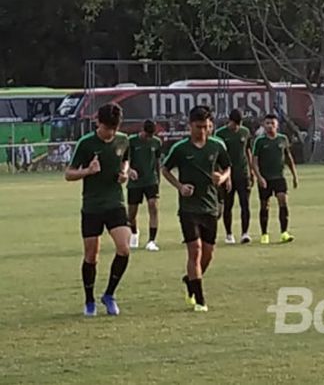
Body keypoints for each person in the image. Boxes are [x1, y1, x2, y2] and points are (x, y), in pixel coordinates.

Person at [162, 105, 231, 312]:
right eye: (198, 126)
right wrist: (180, 186)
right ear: (190, 125)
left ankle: (191, 281)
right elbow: (165, 169)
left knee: (208, 254)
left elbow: (228, 167)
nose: (202, 131)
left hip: (210, 206)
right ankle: (200, 300)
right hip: (189, 208)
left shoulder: (217, 145)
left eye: (206, 127)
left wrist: (223, 177)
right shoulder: (181, 148)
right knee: (196, 251)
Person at [65, 103, 132, 317]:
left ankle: (109, 294)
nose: (110, 133)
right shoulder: (86, 144)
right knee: (91, 256)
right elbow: (68, 174)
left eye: (114, 128)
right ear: (97, 123)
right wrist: (88, 171)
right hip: (92, 206)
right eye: (106, 128)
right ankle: (89, 300)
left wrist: (124, 172)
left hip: (115, 203)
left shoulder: (123, 140)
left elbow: (125, 160)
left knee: (124, 248)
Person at [252, 114, 298, 244]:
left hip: (279, 177)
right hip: (265, 178)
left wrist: (294, 176)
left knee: (283, 201)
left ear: (277, 125)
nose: (270, 126)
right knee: (264, 205)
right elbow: (254, 161)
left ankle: (284, 232)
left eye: (272, 123)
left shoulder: (282, 139)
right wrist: (259, 177)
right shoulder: (260, 141)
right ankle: (264, 234)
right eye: (267, 123)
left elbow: (288, 158)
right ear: (263, 125)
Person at [215, 110, 254, 245]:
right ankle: (229, 234)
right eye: (234, 124)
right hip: (228, 175)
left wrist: (251, 171)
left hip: (243, 174)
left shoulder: (245, 132)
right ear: (229, 121)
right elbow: (218, 157)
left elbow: (248, 151)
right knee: (228, 205)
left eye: (239, 124)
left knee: (245, 204)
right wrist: (225, 176)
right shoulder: (220, 134)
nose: (236, 127)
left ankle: (245, 233)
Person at [126, 120, 163, 251]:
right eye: (147, 135)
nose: (149, 138)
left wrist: (158, 178)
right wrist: (129, 170)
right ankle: (134, 233)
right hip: (135, 182)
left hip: (150, 180)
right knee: (131, 213)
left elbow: (158, 161)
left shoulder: (156, 142)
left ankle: (152, 240)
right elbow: (124, 160)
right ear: (142, 130)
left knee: (153, 207)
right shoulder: (131, 141)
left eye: (151, 135)